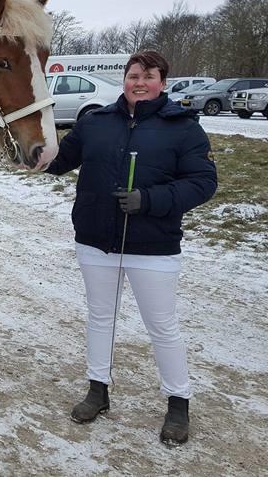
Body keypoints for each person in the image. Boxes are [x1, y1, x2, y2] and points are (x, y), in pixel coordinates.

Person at [45, 50, 217, 445]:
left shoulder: (184, 128)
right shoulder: (96, 122)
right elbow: (59, 161)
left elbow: (203, 182)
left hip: (153, 246)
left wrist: (150, 199)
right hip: (96, 241)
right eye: (133, 75)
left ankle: (178, 402)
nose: (139, 82)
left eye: (149, 76)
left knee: (162, 326)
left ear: (163, 82)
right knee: (100, 318)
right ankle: (97, 389)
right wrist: (24, 147)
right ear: (124, 80)